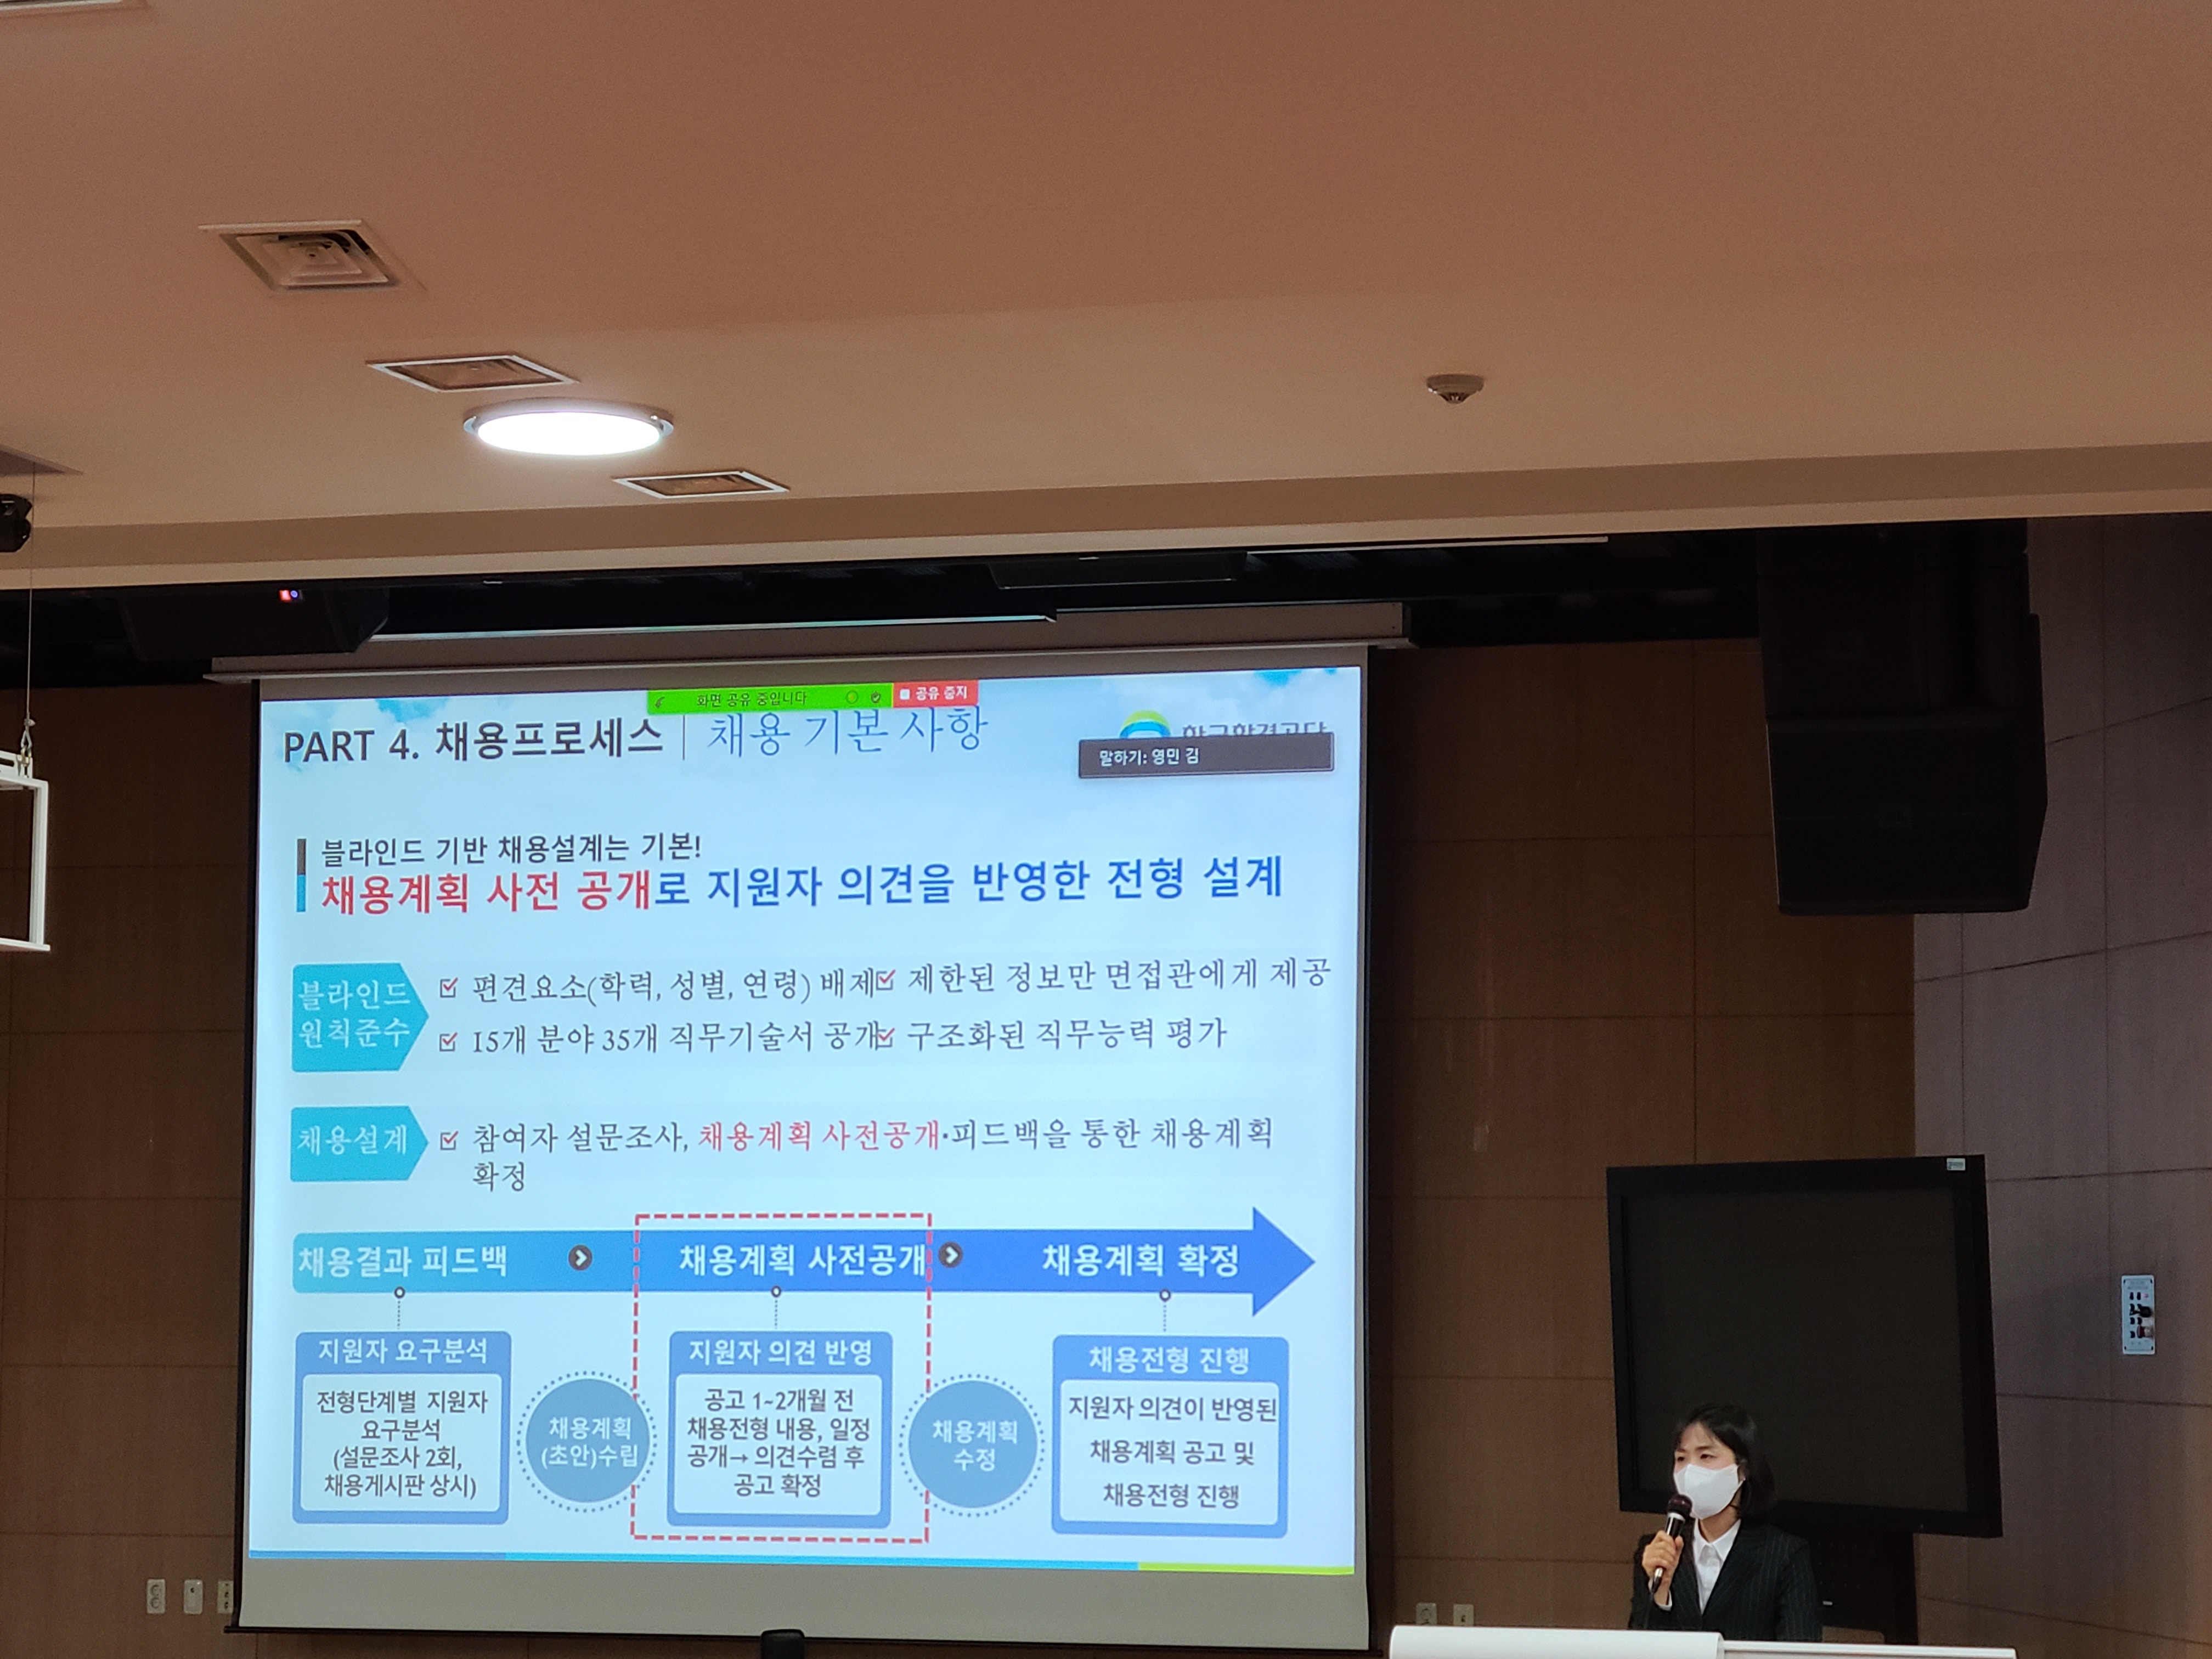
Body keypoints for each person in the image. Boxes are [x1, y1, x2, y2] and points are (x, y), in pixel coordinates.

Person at [1628, 1403, 1821, 1641]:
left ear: (1742, 1470)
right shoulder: (1657, 1552)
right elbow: (1638, 1645)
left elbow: (1800, 1646)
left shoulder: (1785, 1556)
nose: (1690, 1471)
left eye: (1706, 1456)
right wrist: (1660, 1594)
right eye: (1681, 1458)